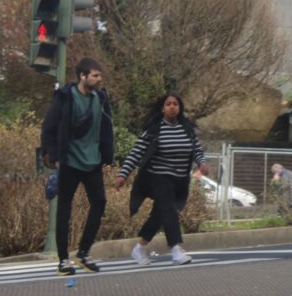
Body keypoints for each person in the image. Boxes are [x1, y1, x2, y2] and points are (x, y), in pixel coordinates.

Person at [115, 92, 209, 266]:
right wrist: (123, 174)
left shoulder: (187, 129)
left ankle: (139, 247)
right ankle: (176, 249)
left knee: (160, 214)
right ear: (162, 108)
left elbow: (196, 150)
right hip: (156, 177)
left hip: (179, 180)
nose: (172, 107)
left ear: (179, 108)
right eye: (168, 104)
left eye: (175, 104)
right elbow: (136, 153)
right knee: (169, 208)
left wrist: (202, 164)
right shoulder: (154, 130)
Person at [40, 57, 114, 276]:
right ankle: (63, 261)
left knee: (100, 203)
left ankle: (83, 253)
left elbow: (107, 128)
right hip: (70, 162)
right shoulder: (65, 97)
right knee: (64, 209)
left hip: (92, 162)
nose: (99, 79)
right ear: (82, 76)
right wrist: (53, 155)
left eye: (100, 75)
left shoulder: (100, 99)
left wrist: (108, 155)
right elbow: (49, 127)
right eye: (95, 75)